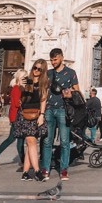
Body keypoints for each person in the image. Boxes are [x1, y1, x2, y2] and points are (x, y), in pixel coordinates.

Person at [42, 48, 79, 182]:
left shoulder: (71, 73)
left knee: (64, 141)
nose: (53, 62)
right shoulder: (48, 74)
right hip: (49, 109)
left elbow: (77, 91)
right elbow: (44, 92)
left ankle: (64, 169)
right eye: (51, 60)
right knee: (47, 141)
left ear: (62, 58)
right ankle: (45, 168)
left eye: (55, 59)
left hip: (64, 109)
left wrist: (69, 92)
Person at [14, 60, 48, 181]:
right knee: (30, 142)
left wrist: (42, 115)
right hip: (24, 115)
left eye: (39, 69)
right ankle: (37, 171)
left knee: (30, 143)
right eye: (35, 68)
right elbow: (18, 95)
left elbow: (43, 100)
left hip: (36, 114)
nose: (36, 71)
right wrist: (21, 87)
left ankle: (25, 172)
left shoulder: (43, 84)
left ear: (43, 71)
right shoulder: (27, 81)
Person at [0, 69, 28, 169]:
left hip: (18, 117)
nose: (26, 80)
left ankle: (23, 162)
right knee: (11, 139)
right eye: (24, 78)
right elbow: (16, 104)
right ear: (19, 78)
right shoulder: (16, 89)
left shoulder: (18, 88)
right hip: (16, 117)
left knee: (20, 140)